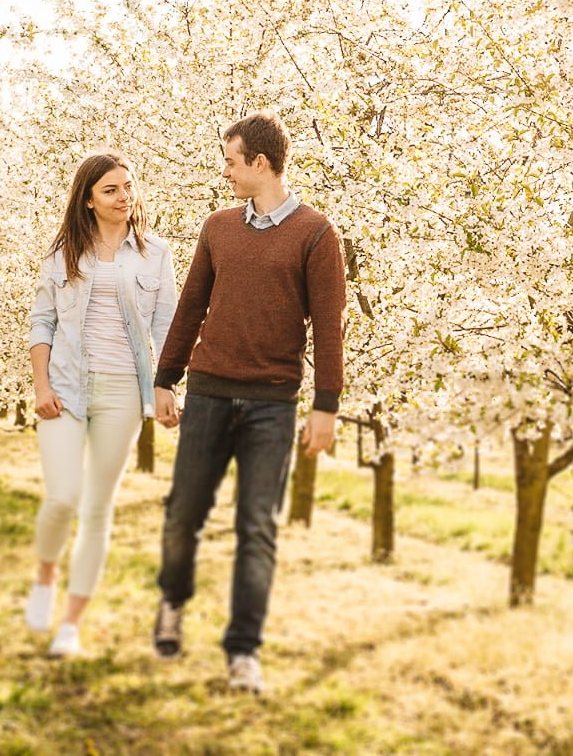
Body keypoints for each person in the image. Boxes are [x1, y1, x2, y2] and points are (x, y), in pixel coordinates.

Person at [151, 111, 346, 694]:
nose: (226, 172)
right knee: (183, 514)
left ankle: (243, 652)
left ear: (260, 163)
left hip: (272, 404)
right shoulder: (217, 227)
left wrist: (326, 405)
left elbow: (329, 327)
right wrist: (166, 378)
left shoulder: (316, 233)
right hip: (209, 393)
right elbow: (190, 307)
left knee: (256, 526)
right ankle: (173, 603)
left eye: (232, 161)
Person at [24, 150, 177, 658]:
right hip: (66, 389)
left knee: (96, 508)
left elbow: (166, 327)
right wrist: (42, 387)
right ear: (88, 199)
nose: (123, 197)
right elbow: (41, 323)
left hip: (122, 394)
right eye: (110, 190)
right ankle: (46, 572)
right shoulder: (64, 252)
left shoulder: (155, 253)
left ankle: (70, 624)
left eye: (128, 187)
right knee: (63, 497)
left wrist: (166, 386)